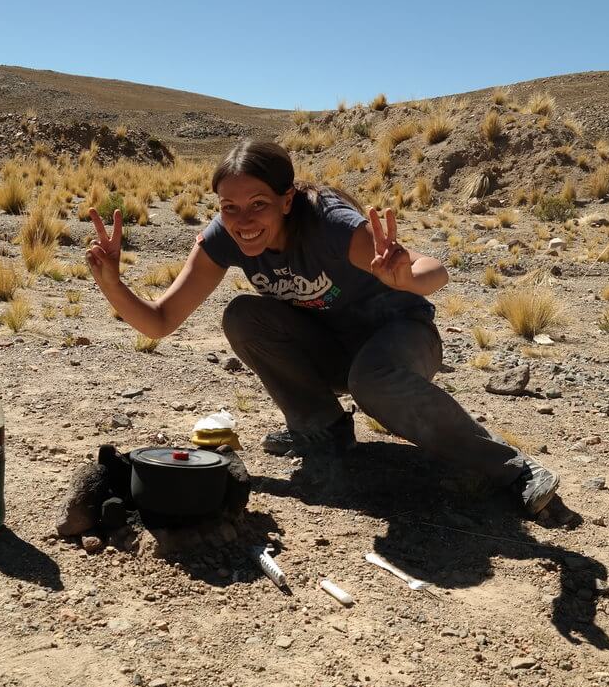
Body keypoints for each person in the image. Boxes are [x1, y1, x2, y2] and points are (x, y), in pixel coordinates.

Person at [85, 139, 560, 514]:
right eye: (229, 207)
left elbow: (436, 270)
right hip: (332, 347)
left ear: (286, 200)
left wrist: (405, 277)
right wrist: (112, 283)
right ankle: (324, 430)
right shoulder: (223, 238)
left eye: (258, 204)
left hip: (400, 338)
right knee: (243, 316)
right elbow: (159, 322)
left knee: (371, 379)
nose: (243, 220)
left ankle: (515, 470)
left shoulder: (331, 226)